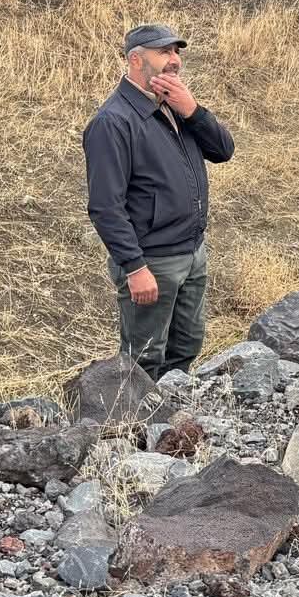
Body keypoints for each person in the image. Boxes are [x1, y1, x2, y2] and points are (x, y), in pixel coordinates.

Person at [83, 24, 236, 380]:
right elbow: (105, 207)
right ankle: (131, 427)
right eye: (164, 52)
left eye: (176, 52)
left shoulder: (176, 107)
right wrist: (135, 268)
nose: (175, 60)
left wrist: (193, 110)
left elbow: (223, 151)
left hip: (192, 252)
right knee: (143, 360)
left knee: (186, 346)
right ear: (136, 60)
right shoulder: (113, 122)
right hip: (153, 261)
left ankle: (167, 419)